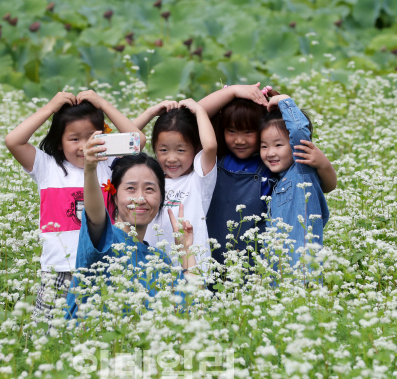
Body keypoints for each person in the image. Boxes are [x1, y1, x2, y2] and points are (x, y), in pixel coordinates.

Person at [4, 90, 146, 321]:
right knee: (50, 335)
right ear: (59, 142)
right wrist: (50, 107)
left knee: (98, 330)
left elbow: (137, 140)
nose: (84, 146)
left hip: (102, 266)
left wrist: (102, 103)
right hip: (59, 269)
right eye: (74, 139)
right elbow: (13, 140)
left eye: (92, 137)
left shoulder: (108, 162)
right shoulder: (47, 167)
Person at [198, 84, 336, 272]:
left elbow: (325, 186)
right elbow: (195, 116)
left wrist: (323, 164)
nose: (239, 140)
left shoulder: (272, 164)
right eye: (231, 131)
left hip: (256, 264)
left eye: (249, 132)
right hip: (213, 255)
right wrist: (230, 92)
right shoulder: (215, 155)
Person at [65, 145, 196, 320]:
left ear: (161, 197)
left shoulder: (159, 261)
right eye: (130, 189)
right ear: (114, 196)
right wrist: (90, 169)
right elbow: (94, 214)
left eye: (150, 189)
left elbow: (193, 304)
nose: (140, 198)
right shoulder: (104, 238)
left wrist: (186, 249)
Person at [133, 99, 217, 275]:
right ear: (154, 148)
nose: (171, 158)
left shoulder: (199, 180)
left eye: (180, 150)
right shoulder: (149, 177)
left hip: (192, 270)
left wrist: (199, 110)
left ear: (195, 149)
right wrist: (150, 112)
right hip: (152, 270)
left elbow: (210, 146)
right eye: (163, 150)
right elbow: (125, 145)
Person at [260, 93, 329, 270]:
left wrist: (284, 101)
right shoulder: (275, 181)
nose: (270, 152)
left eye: (278, 145)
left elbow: (299, 131)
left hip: (302, 273)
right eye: (264, 146)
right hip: (278, 275)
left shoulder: (301, 169)